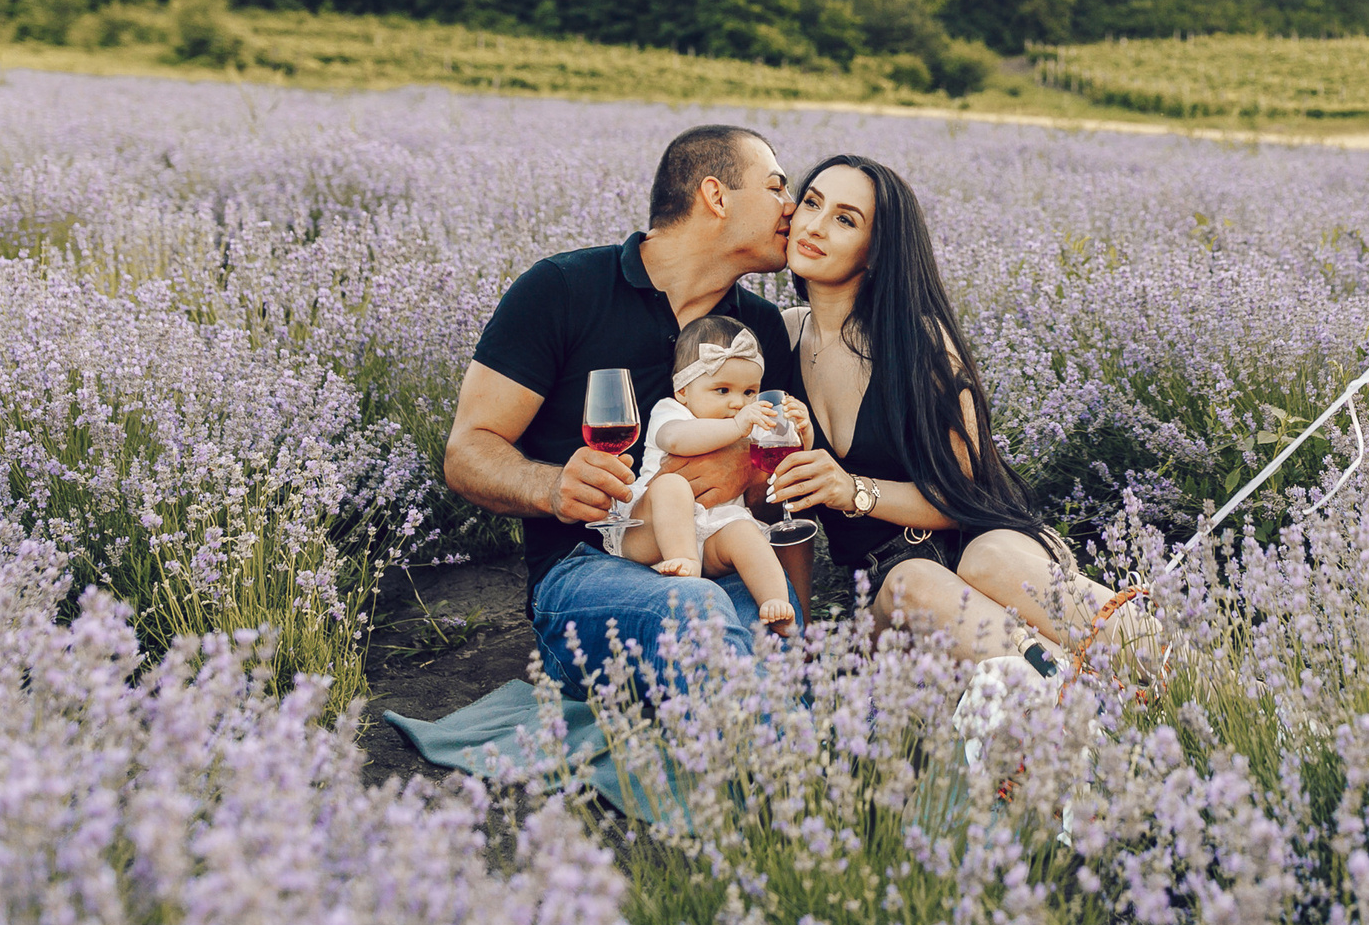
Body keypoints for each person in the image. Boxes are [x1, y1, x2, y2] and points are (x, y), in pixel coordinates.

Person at [762, 153, 1158, 685]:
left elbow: (962, 499)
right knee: (912, 581)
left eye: (845, 218)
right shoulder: (779, 338)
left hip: (981, 543)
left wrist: (851, 490)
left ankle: (1216, 686)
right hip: (887, 585)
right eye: (812, 202)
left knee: (990, 558)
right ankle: (1077, 703)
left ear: (876, 251)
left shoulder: (918, 343)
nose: (813, 225)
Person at [443, 124, 809, 693]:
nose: (793, 208)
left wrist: (757, 466)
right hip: (583, 572)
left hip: (715, 553)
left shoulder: (757, 330)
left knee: (782, 646)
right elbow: (468, 450)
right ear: (716, 196)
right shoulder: (562, 289)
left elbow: (765, 496)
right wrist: (550, 486)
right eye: (777, 187)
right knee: (696, 619)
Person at [621, 316, 810, 636]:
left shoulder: (750, 421)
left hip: (712, 538)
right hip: (652, 534)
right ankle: (683, 563)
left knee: (744, 531)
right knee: (672, 485)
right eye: (722, 390)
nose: (738, 402)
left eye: (750, 391)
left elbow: (783, 457)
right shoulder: (670, 412)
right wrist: (737, 427)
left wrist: (802, 429)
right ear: (682, 390)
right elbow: (679, 440)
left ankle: (776, 602)